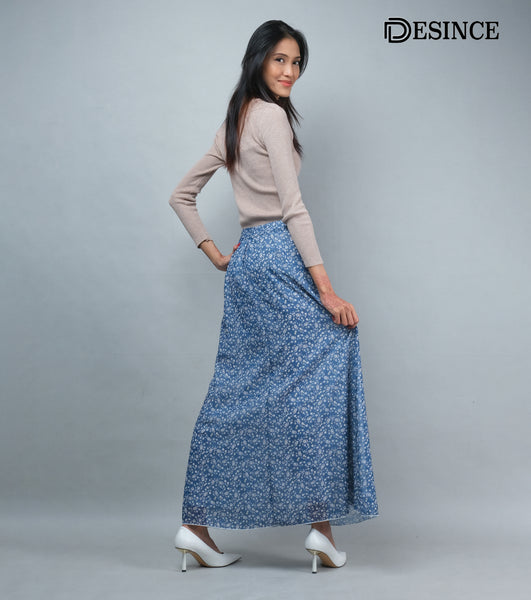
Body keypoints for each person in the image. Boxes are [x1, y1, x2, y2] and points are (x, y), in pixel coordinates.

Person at [169, 20, 379, 574]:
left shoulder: (234, 121)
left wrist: (219, 255)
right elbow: (293, 208)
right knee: (328, 358)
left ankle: (196, 526)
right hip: (281, 258)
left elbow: (181, 196)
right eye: (280, 60)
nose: (290, 72)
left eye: (297, 62)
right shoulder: (271, 117)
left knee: (238, 387)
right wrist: (326, 290)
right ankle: (320, 528)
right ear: (258, 60)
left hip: (246, 266)